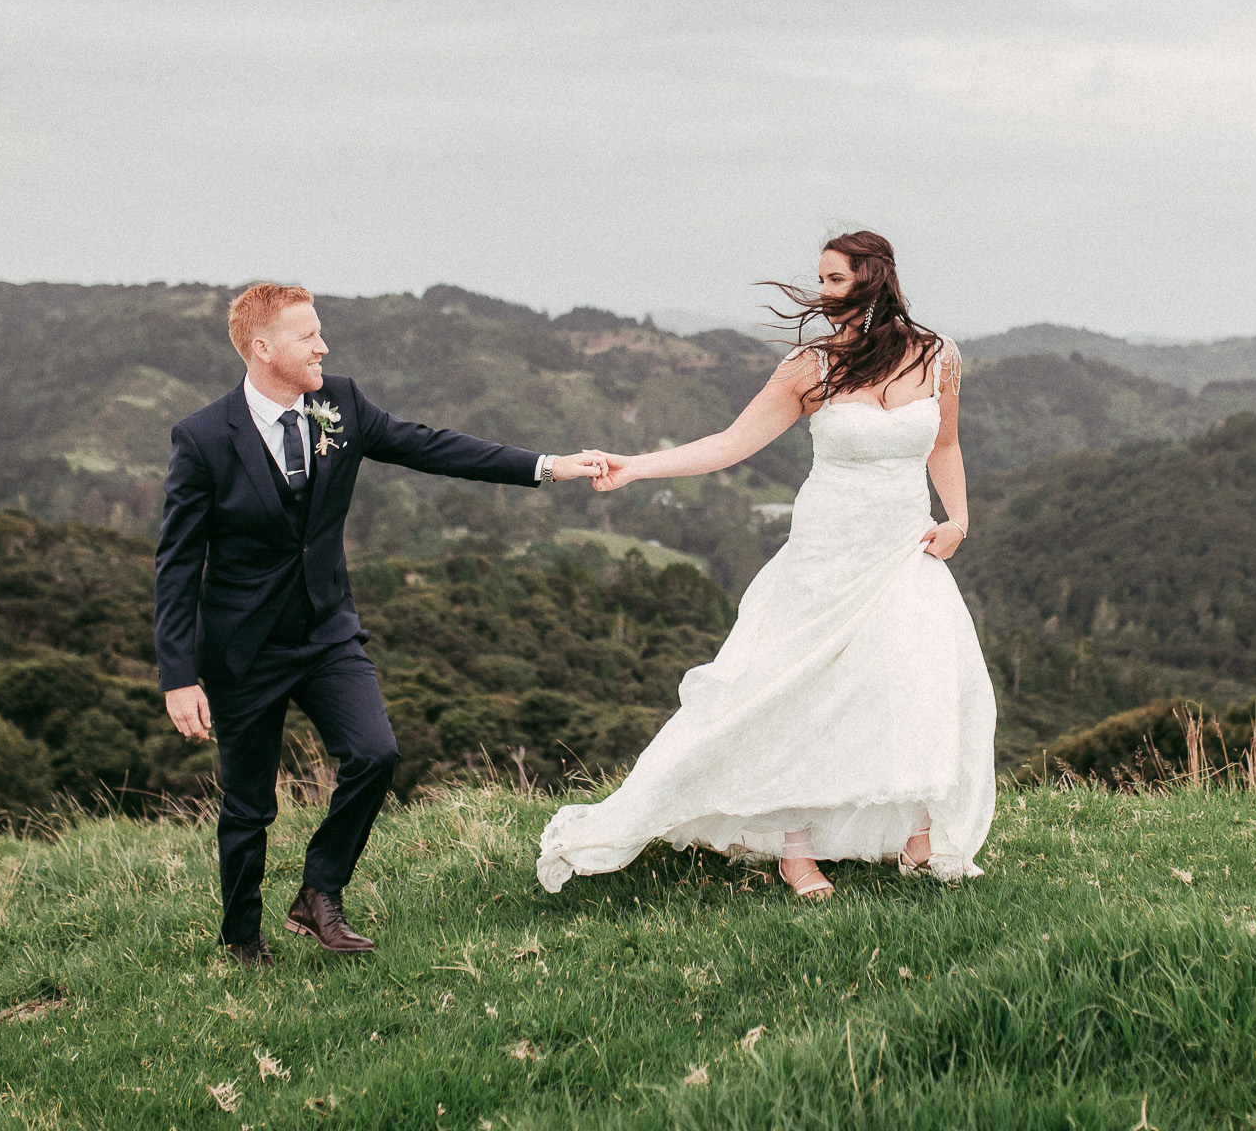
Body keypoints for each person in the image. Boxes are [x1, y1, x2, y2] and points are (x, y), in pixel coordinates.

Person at [155, 282, 606, 967]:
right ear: (263, 348)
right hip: (243, 649)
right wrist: (179, 675)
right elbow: (178, 564)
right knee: (248, 807)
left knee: (375, 754)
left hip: (327, 632)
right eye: (309, 336)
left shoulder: (340, 402)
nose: (323, 346)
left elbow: (431, 446)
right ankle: (242, 940)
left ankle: (320, 891)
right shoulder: (201, 439)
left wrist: (548, 467)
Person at [537, 231, 997, 900]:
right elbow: (729, 444)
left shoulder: (938, 356)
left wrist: (958, 519)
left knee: (920, 676)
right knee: (797, 693)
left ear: (874, 278)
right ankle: (795, 848)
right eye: (822, 279)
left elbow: (945, 443)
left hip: (904, 548)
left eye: (835, 279)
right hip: (825, 553)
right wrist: (635, 467)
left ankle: (920, 834)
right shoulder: (810, 368)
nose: (822, 291)